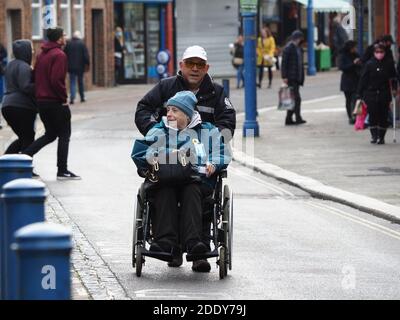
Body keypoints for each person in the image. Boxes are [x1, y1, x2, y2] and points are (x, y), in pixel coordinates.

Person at [135, 45, 236, 272]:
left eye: (199, 65)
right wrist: (157, 131)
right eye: (190, 63)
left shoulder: (216, 94)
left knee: (194, 190)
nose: (194, 68)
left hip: (197, 170)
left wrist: (210, 146)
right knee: (165, 189)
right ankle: (169, 245)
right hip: (168, 171)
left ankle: (196, 248)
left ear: (206, 68)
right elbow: (143, 111)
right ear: (181, 65)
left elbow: (227, 123)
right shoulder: (165, 89)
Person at [22, 27, 81, 180]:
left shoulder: (42, 54)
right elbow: (57, 80)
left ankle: (25, 155)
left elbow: (34, 76)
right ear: (59, 39)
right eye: (64, 35)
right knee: (64, 135)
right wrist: (63, 98)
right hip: (56, 102)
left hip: (42, 102)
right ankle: (62, 170)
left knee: (50, 134)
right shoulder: (59, 55)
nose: (65, 37)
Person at [1, 40, 37, 154]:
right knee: (28, 137)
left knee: (24, 137)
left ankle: (4, 163)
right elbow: (25, 87)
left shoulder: (10, 65)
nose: (33, 51)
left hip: (7, 105)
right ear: (25, 51)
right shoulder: (24, 66)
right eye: (31, 49)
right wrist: (40, 85)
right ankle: (24, 168)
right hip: (21, 107)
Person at [356, 43, 397, 144]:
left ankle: (381, 137)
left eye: (381, 52)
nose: (379, 54)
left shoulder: (389, 63)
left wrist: (395, 89)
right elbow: (363, 79)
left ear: (385, 52)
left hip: (384, 93)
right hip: (371, 93)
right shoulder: (369, 64)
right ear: (374, 53)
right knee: (373, 114)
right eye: (377, 52)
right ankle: (374, 136)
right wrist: (359, 94)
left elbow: (394, 77)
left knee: (383, 115)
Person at [281, 30, 306, 126]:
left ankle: (288, 119)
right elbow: (284, 63)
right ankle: (297, 118)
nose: (301, 40)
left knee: (292, 99)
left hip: (297, 77)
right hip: (291, 77)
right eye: (300, 38)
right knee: (297, 99)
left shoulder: (298, 48)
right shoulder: (289, 48)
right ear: (297, 38)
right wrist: (284, 76)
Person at [338, 40, 362, 124]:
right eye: (354, 47)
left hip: (356, 80)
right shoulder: (343, 56)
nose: (355, 49)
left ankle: (357, 117)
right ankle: (351, 117)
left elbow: (361, 64)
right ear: (350, 48)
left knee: (357, 99)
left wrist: (359, 63)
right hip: (347, 81)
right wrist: (353, 63)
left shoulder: (356, 55)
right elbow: (342, 67)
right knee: (348, 100)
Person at [64, 30, 90, 104]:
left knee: (72, 82)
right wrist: (87, 64)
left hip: (71, 67)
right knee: (80, 82)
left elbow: (64, 54)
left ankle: (72, 98)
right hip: (80, 67)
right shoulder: (82, 44)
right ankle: (82, 97)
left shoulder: (68, 44)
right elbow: (86, 56)